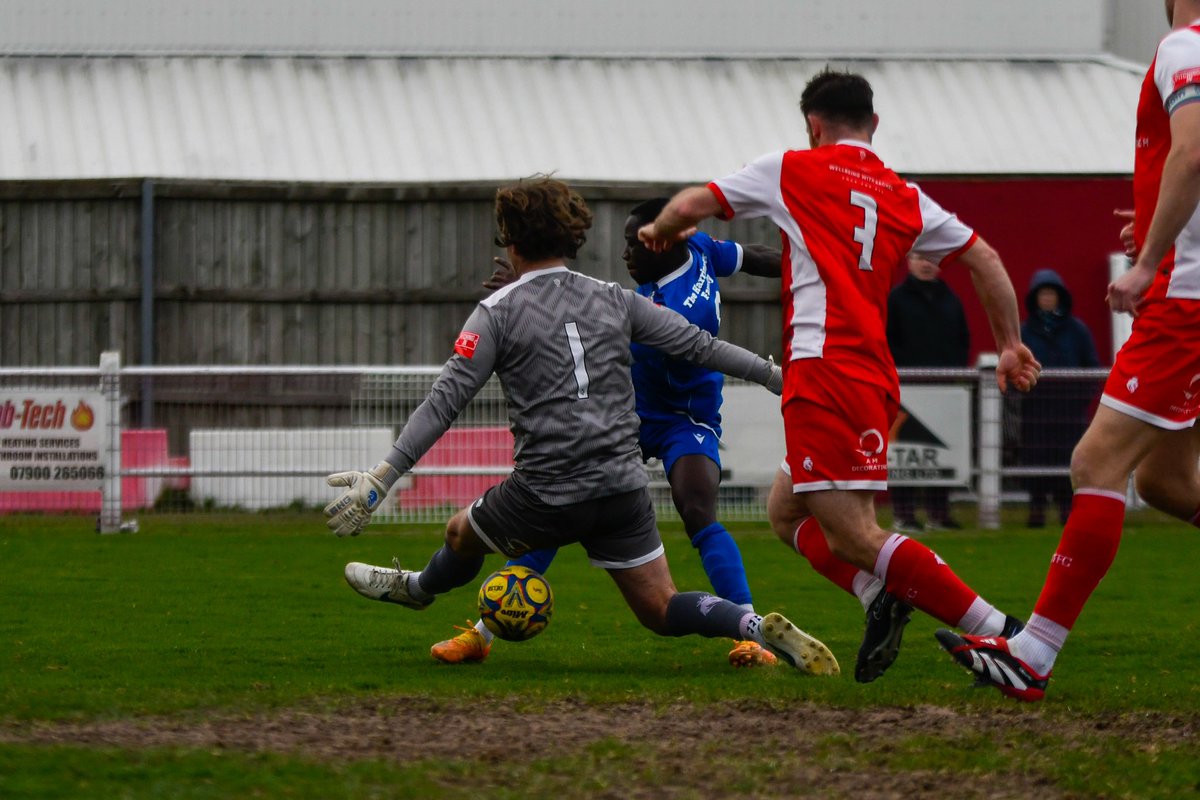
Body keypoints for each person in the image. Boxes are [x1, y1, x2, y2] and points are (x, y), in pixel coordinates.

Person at [325, 176, 840, 676]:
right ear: (572, 235)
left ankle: (416, 589)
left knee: (459, 533)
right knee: (662, 609)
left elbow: (443, 404)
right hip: (621, 489)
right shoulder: (616, 297)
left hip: (544, 491)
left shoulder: (495, 312)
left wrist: (381, 479)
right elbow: (701, 347)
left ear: (509, 238)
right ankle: (749, 622)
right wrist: (776, 376)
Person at [639, 68, 1041, 685]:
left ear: (813, 125)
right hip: (870, 373)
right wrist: (1010, 344)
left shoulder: (793, 168)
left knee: (854, 533)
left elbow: (694, 203)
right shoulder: (902, 193)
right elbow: (983, 257)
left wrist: (662, 229)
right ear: (874, 125)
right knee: (785, 513)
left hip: (826, 372)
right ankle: (877, 597)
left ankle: (1004, 633)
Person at [939, 0, 1200, 701]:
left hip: (1186, 302)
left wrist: (1149, 259)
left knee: (1096, 462)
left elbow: (1194, 148)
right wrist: (1156, 227)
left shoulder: (1185, 44)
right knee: (1169, 483)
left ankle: (1034, 652)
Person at [429, 198, 787, 668]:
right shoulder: (698, 246)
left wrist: (530, 293)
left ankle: (751, 632)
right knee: (564, 496)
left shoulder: (676, 306)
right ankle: (482, 634)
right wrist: (812, 268)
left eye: (631, 244)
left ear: (660, 242)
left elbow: (599, 318)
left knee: (697, 509)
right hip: (629, 416)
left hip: (687, 417)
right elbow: (752, 256)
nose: (624, 255)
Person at [885, 252, 971, 533]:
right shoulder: (896, 299)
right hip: (906, 389)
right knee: (904, 453)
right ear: (908, 261)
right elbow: (885, 339)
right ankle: (905, 514)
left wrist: (954, 371)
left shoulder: (951, 300)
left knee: (940, 453)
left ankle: (939, 514)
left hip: (944, 390)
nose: (926, 264)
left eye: (932, 259)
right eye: (921, 258)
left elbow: (962, 340)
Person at [1017, 269, 1100, 528]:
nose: (1047, 299)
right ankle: (1036, 511)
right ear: (1034, 298)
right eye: (1043, 294)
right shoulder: (1024, 331)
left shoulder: (1078, 331)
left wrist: (1079, 399)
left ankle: (1067, 511)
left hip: (1069, 413)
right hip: (1036, 412)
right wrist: (1024, 394)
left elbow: (1092, 368)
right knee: (1036, 460)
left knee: (1070, 461)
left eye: (1051, 293)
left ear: (1060, 297)